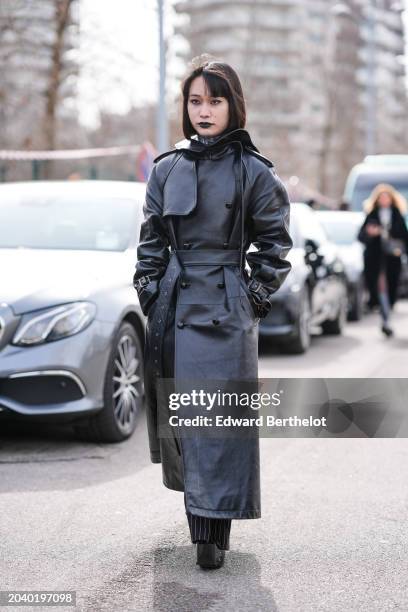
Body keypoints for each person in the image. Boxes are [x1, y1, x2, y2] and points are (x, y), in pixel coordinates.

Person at [133, 55, 292, 569]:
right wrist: (150, 291)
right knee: (186, 418)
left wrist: (255, 296)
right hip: (175, 308)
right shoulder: (166, 168)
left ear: (233, 106)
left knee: (218, 421)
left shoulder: (254, 171)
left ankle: (213, 533)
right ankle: (201, 526)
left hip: (226, 309)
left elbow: (274, 243)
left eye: (215, 100)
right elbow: (151, 241)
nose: (204, 110)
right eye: (195, 101)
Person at [358, 183, 408, 336]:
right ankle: (385, 319)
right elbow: (361, 236)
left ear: (391, 199)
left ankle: (387, 313)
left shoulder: (397, 215)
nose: (384, 200)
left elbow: (405, 237)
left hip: (392, 258)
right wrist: (371, 234)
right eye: (381, 197)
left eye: (387, 197)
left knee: (391, 288)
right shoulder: (371, 215)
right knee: (380, 288)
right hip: (375, 258)